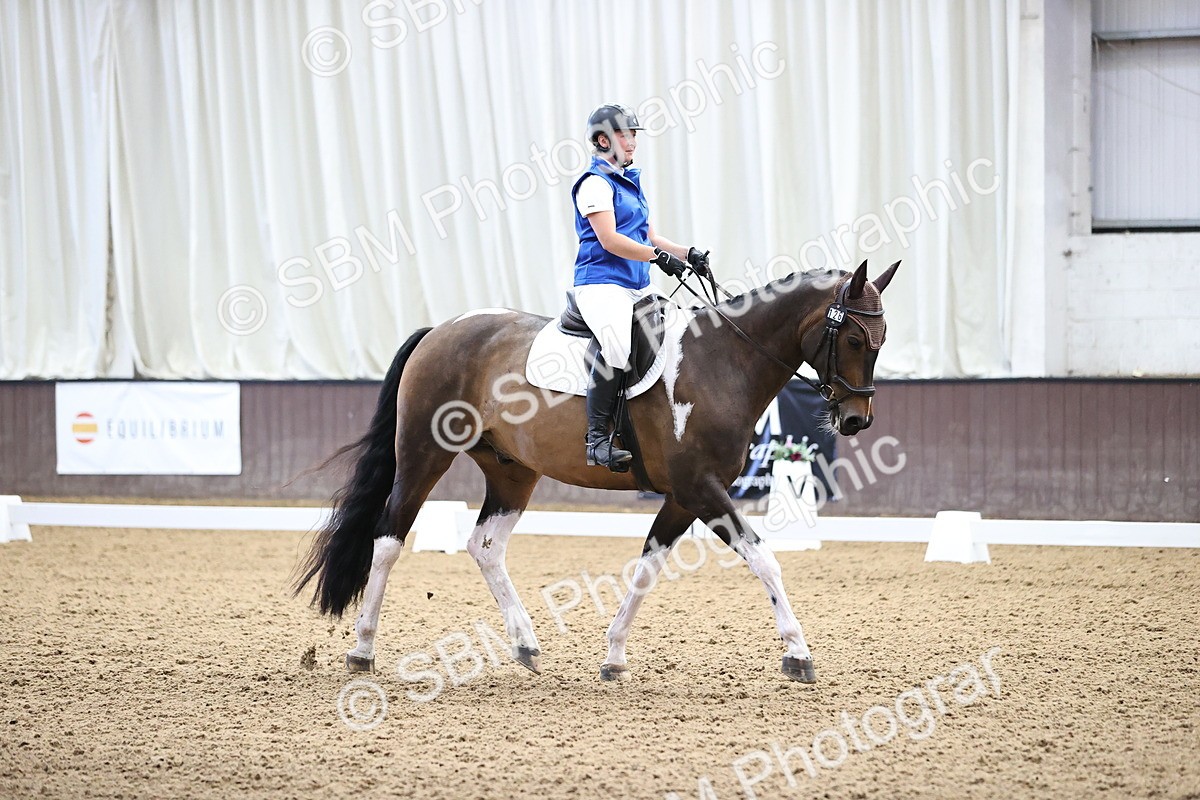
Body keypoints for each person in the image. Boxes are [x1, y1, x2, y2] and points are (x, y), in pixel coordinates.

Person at [572, 103, 711, 469]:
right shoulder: (594, 184)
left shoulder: (628, 180)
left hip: (637, 285)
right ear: (603, 140)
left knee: (680, 332)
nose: (632, 141)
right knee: (617, 349)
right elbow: (610, 241)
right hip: (601, 283)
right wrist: (656, 257)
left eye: (633, 134)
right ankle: (597, 439)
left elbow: (646, 234)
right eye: (623, 134)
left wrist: (686, 253)